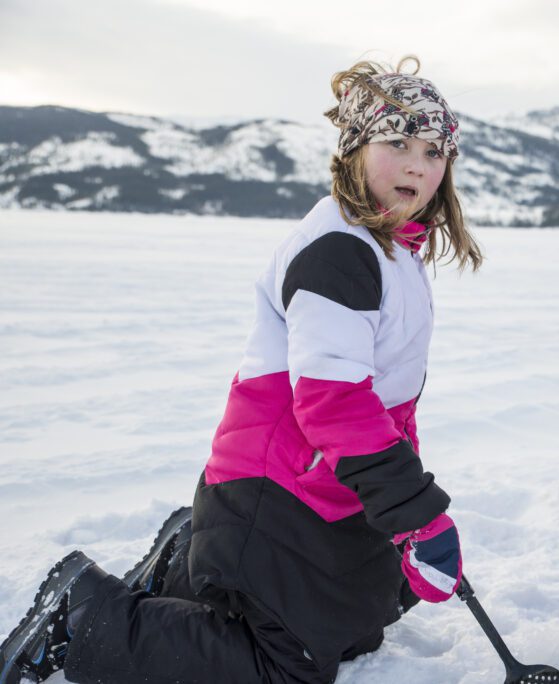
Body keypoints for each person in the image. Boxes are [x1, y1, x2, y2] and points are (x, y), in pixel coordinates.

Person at [1, 56, 482, 684]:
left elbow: (389, 404)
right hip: (272, 485)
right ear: (356, 149)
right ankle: (85, 615)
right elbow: (334, 403)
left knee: (364, 619)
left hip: (322, 481)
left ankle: (187, 565)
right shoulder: (340, 250)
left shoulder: (395, 251)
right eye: (398, 143)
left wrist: (403, 505)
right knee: (284, 669)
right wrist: (416, 514)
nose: (419, 164)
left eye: (434, 150)